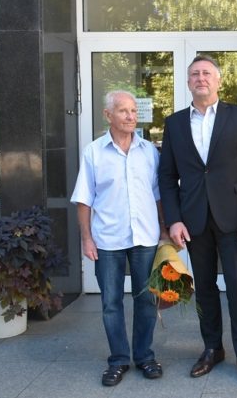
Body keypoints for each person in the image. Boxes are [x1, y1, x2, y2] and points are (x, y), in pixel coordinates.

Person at [158, 55, 237, 386]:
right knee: (203, 288)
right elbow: (166, 176)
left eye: (206, 73)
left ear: (218, 81)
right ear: (188, 82)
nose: (200, 78)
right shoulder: (174, 123)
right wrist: (173, 220)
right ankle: (212, 348)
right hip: (194, 220)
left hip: (234, 218)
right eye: (194, 74)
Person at [71, 90, 164, 387]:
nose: (130, 116)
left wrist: (164, 228)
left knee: (147, 300)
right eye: (123, 111)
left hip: (145, 237)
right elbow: (84, 199)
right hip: (107, 239)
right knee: (111, 303)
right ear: (107, 114)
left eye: (134, 111)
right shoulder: (94, 152)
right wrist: (86, 238)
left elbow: (158, 194)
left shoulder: (149, 151)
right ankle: (119, 359)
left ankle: (145, 356)